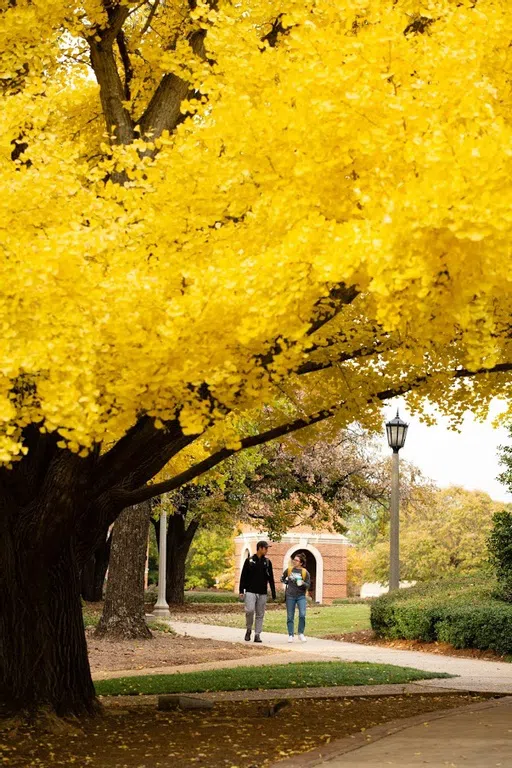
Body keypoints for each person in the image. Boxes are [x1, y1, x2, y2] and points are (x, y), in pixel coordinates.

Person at [239, 541, 276, 643]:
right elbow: (243, 576)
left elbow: (271, 578)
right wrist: (241, 590)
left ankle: (257, 634)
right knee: (249, 611)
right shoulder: (249, 561)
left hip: (262, 592)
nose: (267, 550)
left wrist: (273, 592)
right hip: (250, 591)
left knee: (260, 614)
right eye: (266, 548)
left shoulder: (267, 562)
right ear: (260, 548)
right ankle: (249, 629)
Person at [281, 553, 310, 643]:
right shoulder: (289, 570)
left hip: (301, 596)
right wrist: (285, 581)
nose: (294, 561)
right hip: (290, 596)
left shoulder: (305, 572)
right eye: (294, 560)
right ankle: (290, 635)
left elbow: (308, 585)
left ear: (301, 563)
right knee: (290, 616)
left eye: (297, 560)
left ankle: (301, 633)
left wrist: (302, 583)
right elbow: (282, 578)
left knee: (302, 614)